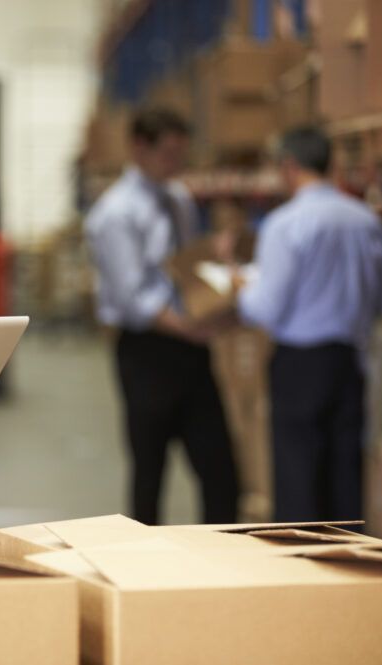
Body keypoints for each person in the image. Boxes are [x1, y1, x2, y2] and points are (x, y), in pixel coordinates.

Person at [85, 107, 239, 525]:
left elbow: (183, 268)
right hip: (147, 351)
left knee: (220, 469)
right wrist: (190, 328)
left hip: (189, 346)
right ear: (140, 148)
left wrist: (218, 274)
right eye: (168, 154)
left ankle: (225, 563)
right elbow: (134, 299)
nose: (176, 164)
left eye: (180, 154)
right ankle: (145, 570)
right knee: (150, 468)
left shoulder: (179, 200)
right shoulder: (115, 213)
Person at [235, 125, 382, 522]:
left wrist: (241, 287)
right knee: (345, 478)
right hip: (348, 361)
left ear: (289, 166)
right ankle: (347, 569)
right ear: (331, 163)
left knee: (298, 482)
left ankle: (304, 573)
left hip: (299, 364)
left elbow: (266, 307)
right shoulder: (366, 221)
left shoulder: (285, 224)